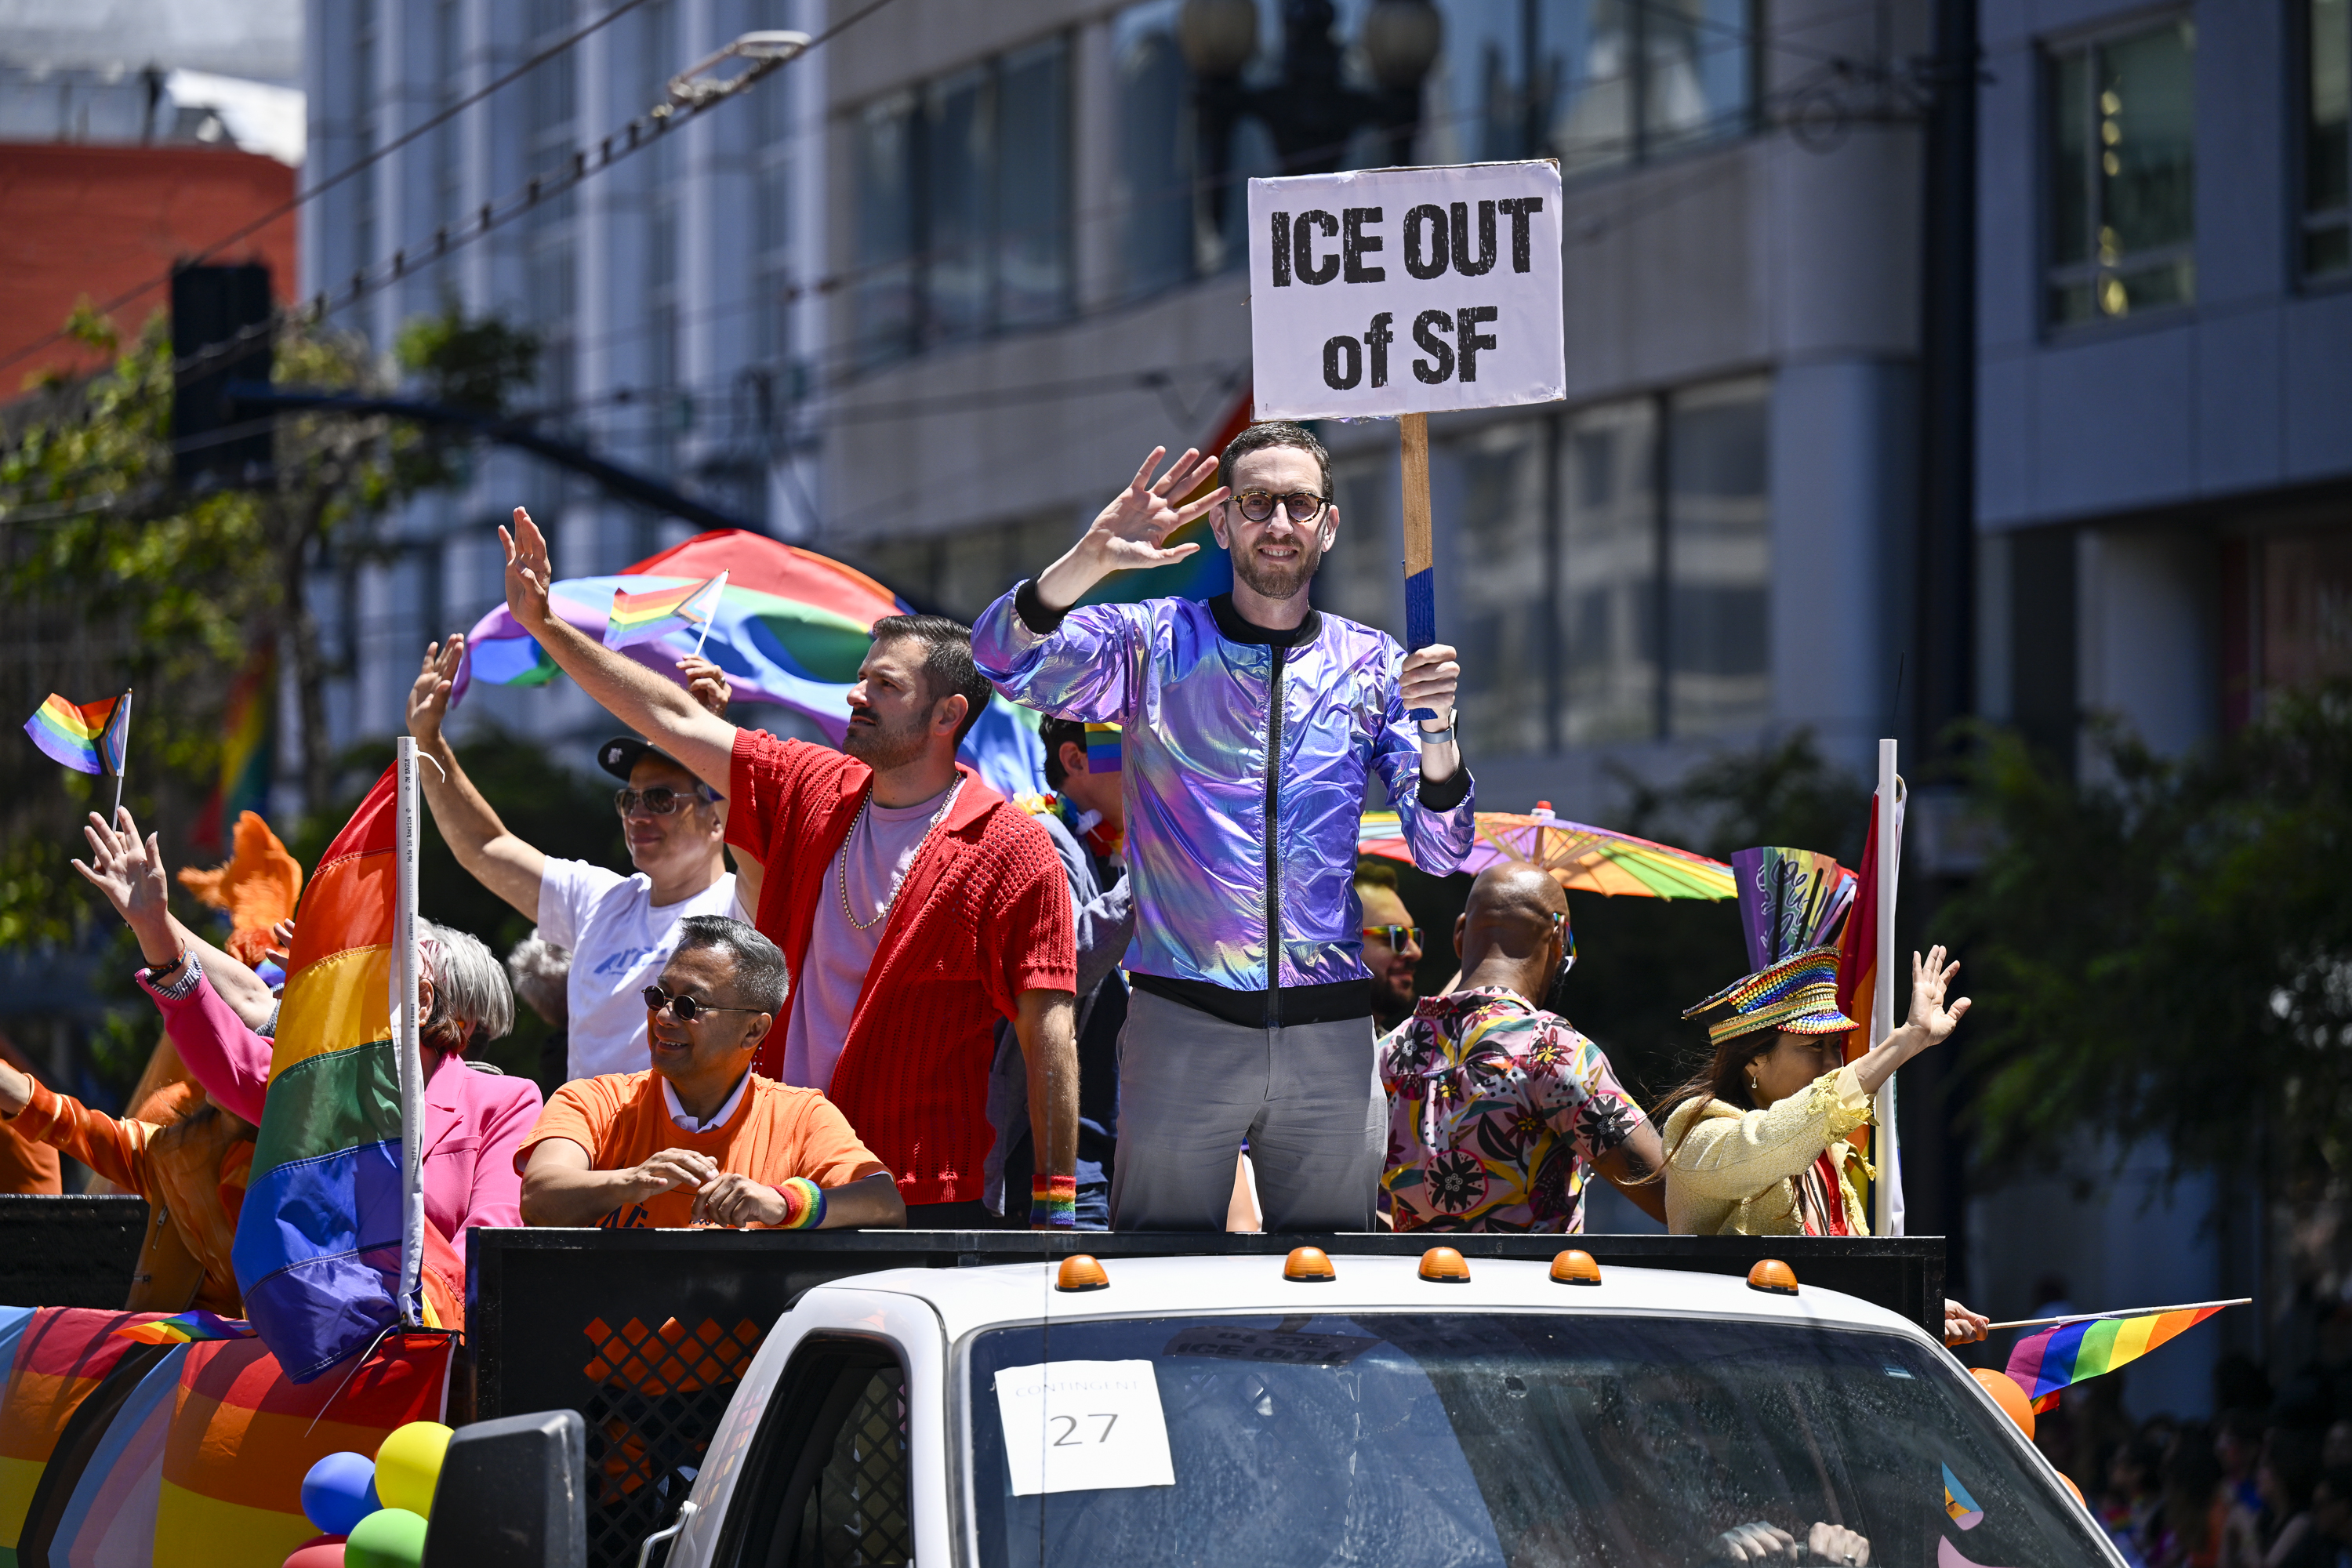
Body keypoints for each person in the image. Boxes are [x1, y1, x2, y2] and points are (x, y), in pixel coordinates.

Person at [496, 511, 1080, 1228]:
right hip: (765, 1184)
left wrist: (1056, 1210)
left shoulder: (1011, 846)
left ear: (947, 714)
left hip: (917, 1195)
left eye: (884, 686)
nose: (854, 696)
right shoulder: (809, 785)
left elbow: (1047, 1029)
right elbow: (672, 719)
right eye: (861, 678)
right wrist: (548, 626)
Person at [971, 427, 1477, 1232]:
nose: (1279, 521)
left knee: (1330, 1293)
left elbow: (1443, 847)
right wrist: (1089, 562)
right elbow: (1002, 658)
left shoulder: (1375, 664)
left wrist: (1441, 729)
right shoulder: (1154, 640)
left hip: (1330, 1031)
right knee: (1163, 1289)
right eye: (1256, 502)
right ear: (1224, 523)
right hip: (1183, 1023)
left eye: (1299, 503)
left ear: (1329, 524)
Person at [73, 808, 544, 1240]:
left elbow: (488, 1243)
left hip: (436, 1327)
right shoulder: (326, 1081)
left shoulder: (504, 1102)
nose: (352, 973)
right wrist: (153, 924)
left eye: (376, 966)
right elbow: (240, 1037)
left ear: (425, 1003)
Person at [406, 636, 741, 1082]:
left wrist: (713, 739)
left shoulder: (746, 905)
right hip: (590, 1148)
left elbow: (755, 805)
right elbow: (484, 847)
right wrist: (427, 739)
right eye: (629, 799)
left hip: (694, 1149)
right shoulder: (600, 900)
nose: (638, 813)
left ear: (717, 817)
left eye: (660, 798)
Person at [518, 916, 906, 1230]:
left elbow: (883, 1203)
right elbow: (539, 1198)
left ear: (754, 1030)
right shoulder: (592, 1100)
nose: (665, 1016)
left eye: (690, 1005)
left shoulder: (801, 1117)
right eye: (659, 996)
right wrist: (631, 1181)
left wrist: (783, 1202)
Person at [1379, 864, 1667, 1232]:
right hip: (1533, 1287)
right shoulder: (1553, 1051)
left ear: (1458, 936)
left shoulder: (1387, 1055)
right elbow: (1668, 1196)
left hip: (1418, 1283)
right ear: (1560, 941)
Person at [985, 716, 1133, 1228]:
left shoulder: (1111, 852)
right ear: (1076, 759)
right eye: (1135, 742)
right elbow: (1065, 961)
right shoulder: (1040, 835)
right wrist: (1158, 873)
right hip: (1068, 1162)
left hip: (1116, 1151)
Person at [0, 1060, 251, 1311]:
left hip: (241, 1343)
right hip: (166, 1339)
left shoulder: (271, 1169)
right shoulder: (179, 1145)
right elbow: (87, 1130)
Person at [1355, 859, 1424, 1033]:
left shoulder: (1394, 1055)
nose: (1416, 953)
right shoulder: (1286, 1051)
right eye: (1394, 936)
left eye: (1413, 936)